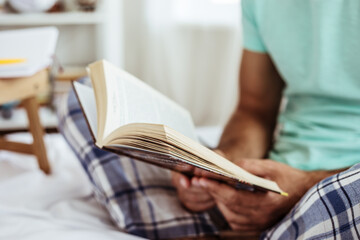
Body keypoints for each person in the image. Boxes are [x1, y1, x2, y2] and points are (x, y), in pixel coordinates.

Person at [58, 0, 360, 239]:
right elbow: (254, 109)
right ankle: (259, 226)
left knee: (338, 196)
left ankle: (200, 229)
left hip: (344, 185)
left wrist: (305, 187)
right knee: (84, 99)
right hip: (278, 177)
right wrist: (221, 169)